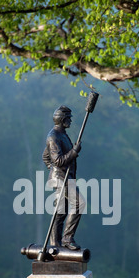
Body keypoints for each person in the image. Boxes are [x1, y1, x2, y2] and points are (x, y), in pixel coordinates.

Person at [42, 105, 85, 250]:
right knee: (80, 203)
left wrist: (54, 169)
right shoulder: (53, 137)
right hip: (62, 179)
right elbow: (58, 160)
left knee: (61, 211)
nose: (70, 121)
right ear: (62, 119)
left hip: (65, 177)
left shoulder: (61, 135)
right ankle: (67, 238)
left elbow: (46, 156)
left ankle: (55, 244)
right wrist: (73, 152)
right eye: (68, 119)